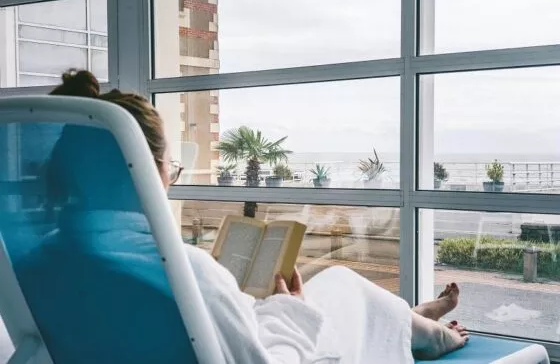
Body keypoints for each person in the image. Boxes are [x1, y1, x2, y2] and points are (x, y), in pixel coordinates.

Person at [11, 70, 468, 364]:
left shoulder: (35, 262)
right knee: (345, 288)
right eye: (172, 168)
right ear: (145, 172)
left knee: (334, 288)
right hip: (293, 353)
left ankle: (409, 319)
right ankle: (431, 336)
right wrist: (287, 312)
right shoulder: (185, 275)